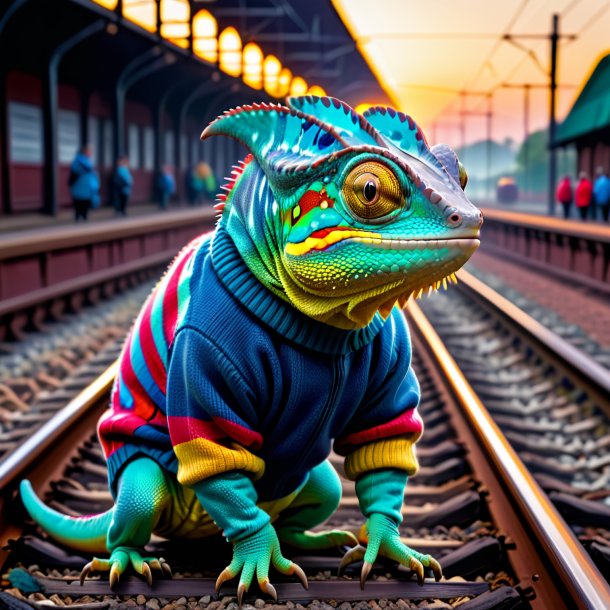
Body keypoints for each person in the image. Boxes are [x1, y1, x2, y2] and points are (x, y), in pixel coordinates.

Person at [69, 145, 100, 221]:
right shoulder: (82, 161)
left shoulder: (85, 161)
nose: (91, 153)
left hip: (84, 186)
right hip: (81, 185)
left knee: (82, 202)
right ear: (85, 152)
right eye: (89, 151)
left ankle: (81, 217)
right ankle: (81, 217)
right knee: (81, 202)